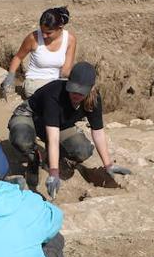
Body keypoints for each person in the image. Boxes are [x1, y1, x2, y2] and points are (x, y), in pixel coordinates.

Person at [7, 61, 131, 200]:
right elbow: (52, 138)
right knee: (21, 139)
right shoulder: (54, 94)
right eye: (72, 88)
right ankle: (34, 158)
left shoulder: (94, 100)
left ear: (91, 88)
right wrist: (54, 173)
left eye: (81, 92)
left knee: (83, 150)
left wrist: (108, 165)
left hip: (59, 123)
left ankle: (54, 159)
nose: (76, 94)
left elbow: (98, 132)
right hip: (31, 116)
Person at [0, 6, 77, 100]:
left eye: (48, 33)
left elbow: (65, 72)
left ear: (60, 27)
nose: (44, 35)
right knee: (52, 98)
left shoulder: (70, 40)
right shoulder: (33, 38)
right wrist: (10, 77)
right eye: (42, 31)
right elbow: (18, 57)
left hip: (56, 82)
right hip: (35, 82)